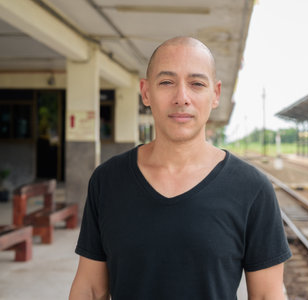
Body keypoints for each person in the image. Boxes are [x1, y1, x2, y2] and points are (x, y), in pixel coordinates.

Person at [69, 36, 291, 300]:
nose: (181, 97)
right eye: (166, 82)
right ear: (146, 92)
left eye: (196, 84)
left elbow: (268, 295)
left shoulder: (252, 188)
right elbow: (90, 290)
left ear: (215, 94)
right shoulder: (107, 181)